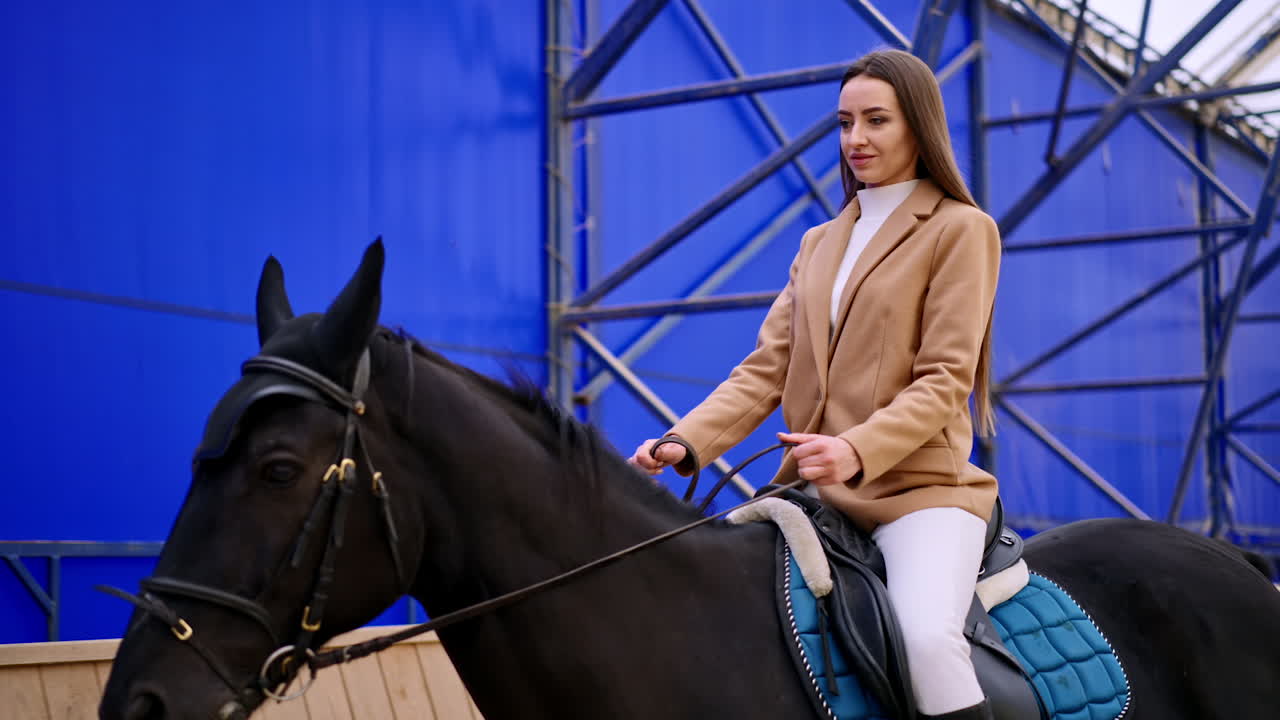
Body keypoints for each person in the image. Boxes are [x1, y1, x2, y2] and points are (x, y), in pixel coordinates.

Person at [628, 49, 1001, 720]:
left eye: (877, 120)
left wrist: (856, 448)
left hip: (918, 494)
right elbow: (765, 370)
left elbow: (946, 379)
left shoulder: (961, 229)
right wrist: (684, 442)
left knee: (925, 639)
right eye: (845, 122)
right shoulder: (817, 243)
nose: (856, 138)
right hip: (808, 492)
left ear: (918, 126)